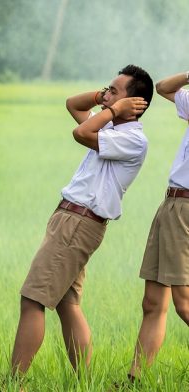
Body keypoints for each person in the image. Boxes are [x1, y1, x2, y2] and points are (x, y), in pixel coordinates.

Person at [10, 65, 154, 378]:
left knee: (33, 299)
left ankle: (14, 382)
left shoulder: (132, 139)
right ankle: (84, 382)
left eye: (115, 90)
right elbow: (73, 105)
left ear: (134, 104)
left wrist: (113, 109)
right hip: (72, 219)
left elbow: (81, 133)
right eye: (107, 89)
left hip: (78, 222)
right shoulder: (111, 128)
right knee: (67, 303)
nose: (106, 96)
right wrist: (106, 98)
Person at [127, 71, 189, 383]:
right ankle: (136, 380)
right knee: (153, 302)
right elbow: (164, 87)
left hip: (186, 209)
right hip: (172, 203)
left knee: (184, 303)